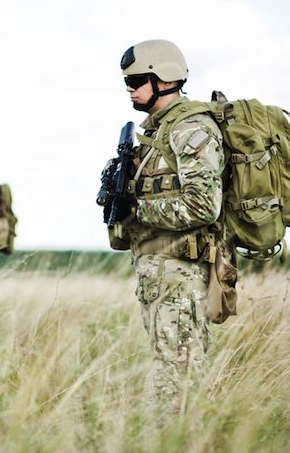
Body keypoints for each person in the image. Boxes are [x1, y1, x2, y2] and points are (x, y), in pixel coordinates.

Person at [112, 39, 226, 411]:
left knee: (179, 375)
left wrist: (137, 211)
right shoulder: (158, 131)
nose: (129, 87)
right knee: (170, 368)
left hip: (179, 273)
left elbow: (202, 205)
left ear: (164, 79)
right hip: (160, 273)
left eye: (137, 79)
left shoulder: (190, 129)